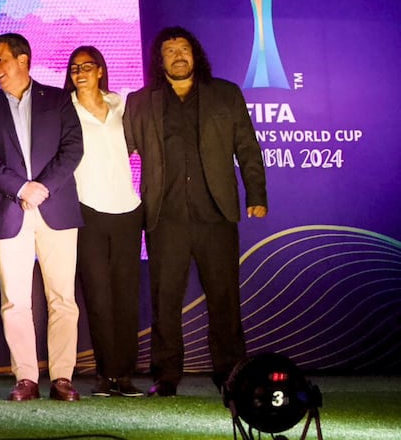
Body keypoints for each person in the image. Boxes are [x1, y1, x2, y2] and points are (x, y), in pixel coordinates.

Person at [123, 26, 267, 397]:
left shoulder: (225, 95)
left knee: (224, 300)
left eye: (183, 48)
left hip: (216, 215)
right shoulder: (141, 102)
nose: (178, 56)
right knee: (165, 301)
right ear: (160, 60)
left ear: (195, 53)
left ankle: (231, 373)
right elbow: (115, 145)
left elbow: (247, 148)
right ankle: (166, 375)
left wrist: (257, 193)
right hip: (163, 217)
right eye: (169, 51)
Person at [0, 32, 84, 402]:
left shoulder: (57, 99)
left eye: (1, 59)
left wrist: (42, 187)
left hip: (56, 208)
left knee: (62, 298)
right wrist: (22, 189)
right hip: (9, 210)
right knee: (15, 300)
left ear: (23, 60)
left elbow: (72, 149)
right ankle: (26, 378)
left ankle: (63, 377)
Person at [63, 46, 144, 398]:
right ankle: (106, 374)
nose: (80, 72)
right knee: (97, 295)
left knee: (125, 294)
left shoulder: (120, 105)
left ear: (100, 70)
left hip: (127, 209)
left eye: (87, 66)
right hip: (87, 210)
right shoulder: (65, 109)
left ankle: (125, 374)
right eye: (74, 68)